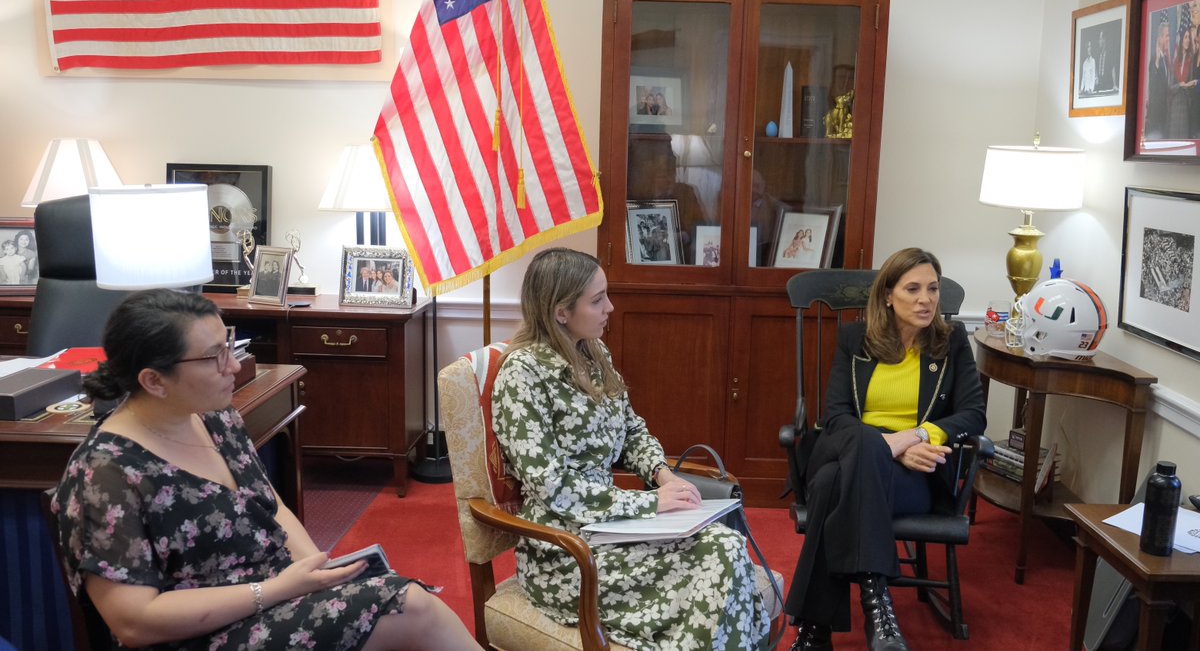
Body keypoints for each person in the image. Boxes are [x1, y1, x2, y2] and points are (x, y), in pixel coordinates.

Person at [51, 289, 482, 651]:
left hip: (272, 599)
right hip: (199, 634)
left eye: (231, 345)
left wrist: (317, 570)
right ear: (153, 381)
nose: (234, 367)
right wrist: (276, 590)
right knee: (409, 607)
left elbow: (269, 506)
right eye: (214, 357)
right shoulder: (103, 472)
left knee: (396, 604)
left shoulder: (214, 417)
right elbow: (134, 622)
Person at [491, 248, 772, 650]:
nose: (610, 306)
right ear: (560, 312)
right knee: (723, 557)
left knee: (726, 544)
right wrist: (650, 504)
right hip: (567, 553)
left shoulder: (592, 352)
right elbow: (553, 487)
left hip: (612, 529)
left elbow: (631, 431)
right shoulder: (522, 376)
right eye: (597, 299)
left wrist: (663, 474)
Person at [784, 248, 986, 651]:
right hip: (851, 447)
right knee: (859, 444)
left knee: (829, 488)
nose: (925, 299)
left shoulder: (953, 343)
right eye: (912, 289)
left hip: (911, 471)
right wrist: (885, 445)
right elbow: (837, 416)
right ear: (888, 296)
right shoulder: (854, 340)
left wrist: (917, 436)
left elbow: (973, 415)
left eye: (932, 289)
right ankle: (878, 603)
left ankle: (813, 630)